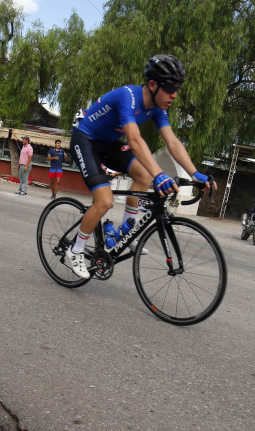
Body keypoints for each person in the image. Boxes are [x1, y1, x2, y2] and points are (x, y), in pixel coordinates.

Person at [65, 54, 215, 278]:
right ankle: (75, 249)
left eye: (178, 89)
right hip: (85, 140)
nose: (174, 95)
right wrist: (160, 175)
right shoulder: (129, 96)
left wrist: (196, 174)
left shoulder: (157, 108)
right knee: (105, 200)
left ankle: (127, 234)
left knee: (143, 176)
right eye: (170, 88)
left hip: (108, 144)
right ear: (153, 85)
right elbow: (135, 140)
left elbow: (172, 142)